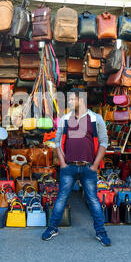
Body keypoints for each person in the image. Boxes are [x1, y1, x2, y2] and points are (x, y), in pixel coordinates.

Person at [42, 88, 111, 246]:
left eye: (72, 99)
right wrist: (63, 163)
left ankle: (101, 232)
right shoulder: (65, 119)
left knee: (93, 200)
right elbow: (57, 142)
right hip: (69, 168)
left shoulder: (95, 118)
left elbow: (104, 142)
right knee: (61, 199)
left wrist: (94, 166)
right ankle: (52, 228)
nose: (70, 102)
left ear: (81, 100)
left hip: (88, 168)